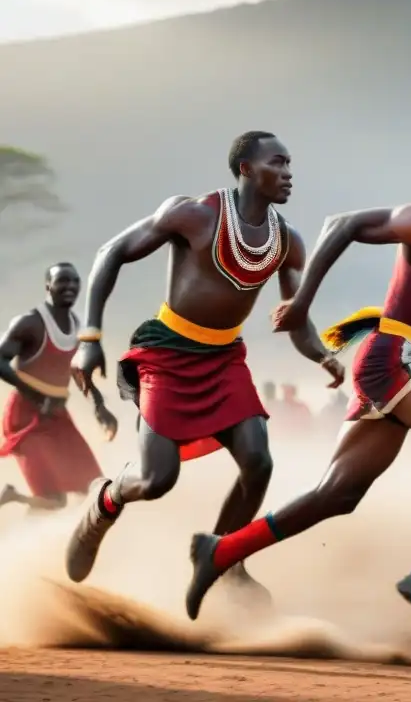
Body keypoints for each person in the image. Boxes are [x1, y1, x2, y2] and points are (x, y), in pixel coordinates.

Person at [185, 137, 411, 644]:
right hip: (392, 357)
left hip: (410, 362)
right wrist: (302, 303)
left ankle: (219, 552)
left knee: (338, 495)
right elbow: (340, 225)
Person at [65, 131, 344, 596]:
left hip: (224, 358)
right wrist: (89, 338)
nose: (290, 173)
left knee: (258, 462)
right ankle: (104, 501)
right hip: (167, 352)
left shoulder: (286, 241)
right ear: (247, 169)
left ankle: (224, 560)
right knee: (157, 479)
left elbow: (295, 320)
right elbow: (109, 253)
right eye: (279, 163)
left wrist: (322, 355)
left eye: (291, 164)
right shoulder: (193, 214)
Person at [0, 263, 117, 513]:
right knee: (52, 499)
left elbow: (79, 373)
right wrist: (33, 393)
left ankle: (16, 499)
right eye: (62, 281)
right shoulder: (30, 323)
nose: (70, 287)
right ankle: (23, 537)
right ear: (48, 286)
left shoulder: (78, 328)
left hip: (58, 417)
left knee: (95, 488)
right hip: (26, 417)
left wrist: (100, 407)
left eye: (75, 282)